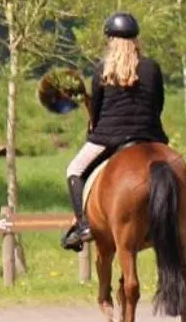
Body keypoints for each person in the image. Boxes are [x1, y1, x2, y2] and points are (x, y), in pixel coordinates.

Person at [61, 13, 167, 251]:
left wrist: (94, 126)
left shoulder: (102, 70)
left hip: (109, 137)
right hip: (150, 135)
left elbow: (96, 111)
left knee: (74, 170)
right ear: (136, 40)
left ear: (110, 40)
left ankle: (83, 225)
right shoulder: (152, 68)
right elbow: (158, 104)